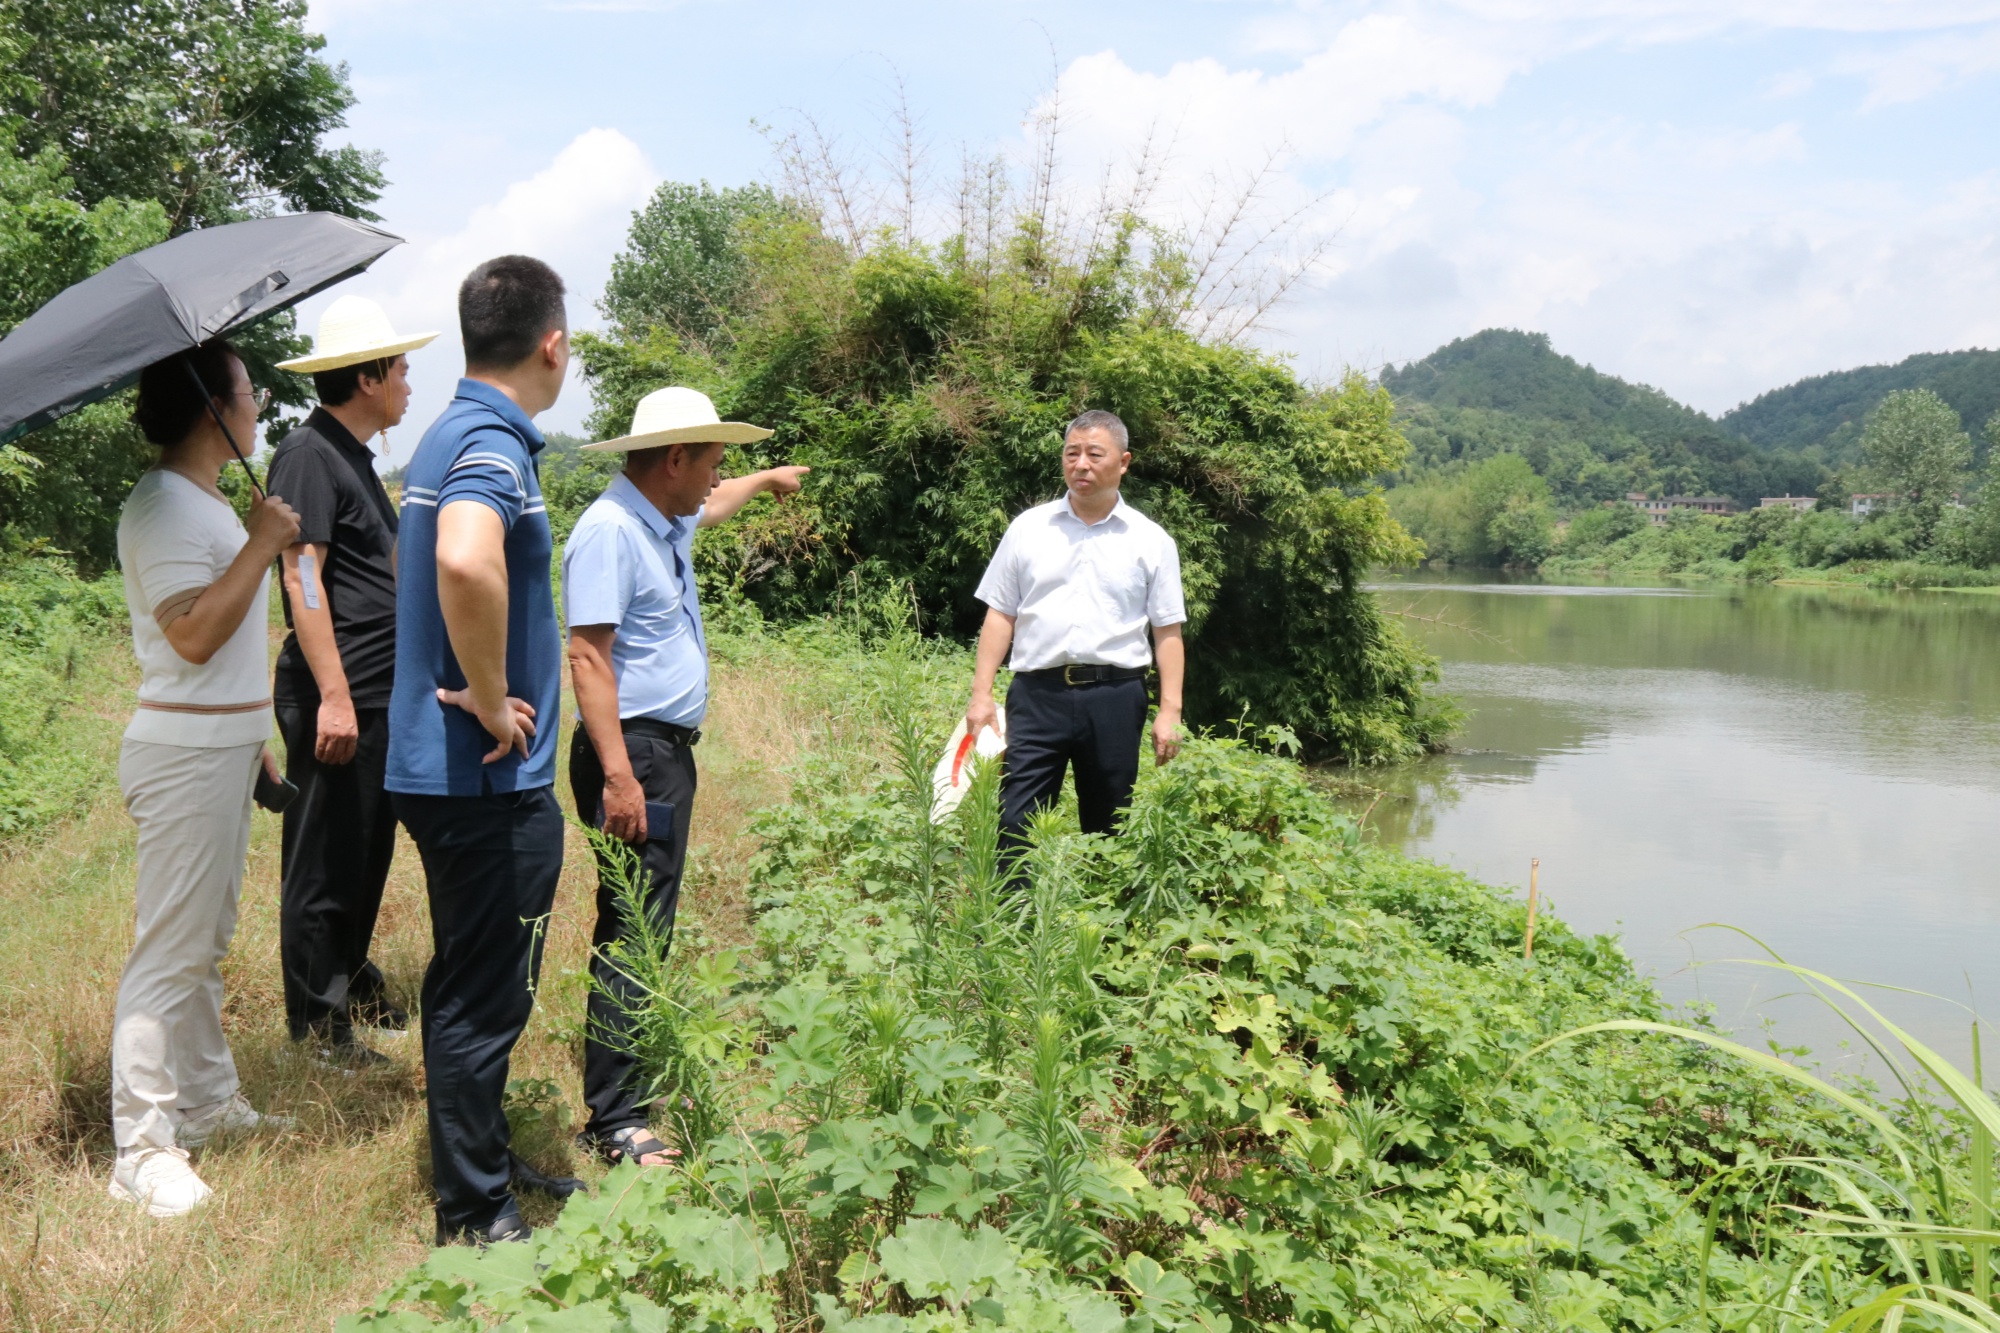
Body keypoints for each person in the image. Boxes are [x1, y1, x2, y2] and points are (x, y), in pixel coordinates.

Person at [562, 387, 808, 1168]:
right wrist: (620, 778)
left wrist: (765, 479)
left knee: (648, 921)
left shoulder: (660, 515)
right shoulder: (608, 532)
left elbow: (719, 503)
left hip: (655, 752)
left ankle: (624, 1087)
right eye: (711, 459)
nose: (716, 476)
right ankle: (616, 1117)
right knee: (632, 928)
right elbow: (588, 657)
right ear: (674, 459)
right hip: (631, 754)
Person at [385, 256, 569, 1246]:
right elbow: (465, 557)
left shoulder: (451, 430)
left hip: (454, 771)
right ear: (552, 342)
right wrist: (494, 702)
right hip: (480, 774)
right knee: (481, 991)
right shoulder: (490, 440)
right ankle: (474, 1209)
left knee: (474, 977)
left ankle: (483, 1165)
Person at [109, 339, 302, 1218]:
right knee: (170, 952)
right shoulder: (161, 506)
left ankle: (208, 1100)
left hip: (220, 747)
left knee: (205, 942)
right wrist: (262, 544)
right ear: (210, 405)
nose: (257, 401)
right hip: (182, 755)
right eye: (246, 389)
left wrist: (254, 735)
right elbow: (191, 637)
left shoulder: (207, 502)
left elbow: (215, 660)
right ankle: (142, 1150)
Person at [268, 296, 437, 1065]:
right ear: (367, 377)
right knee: (326, 859)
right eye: (400, 369)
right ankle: (318, 1025)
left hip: (376, 696)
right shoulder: (308, 454)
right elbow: (303, 578)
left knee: (364, 850)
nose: (408, 381)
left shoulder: (354, 460)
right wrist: (333, 694)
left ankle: (349, 975)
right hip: (339, 695)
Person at [965, 409, 1186, 856]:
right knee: (1016, 822)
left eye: (1093, 454)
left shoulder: (1151, 539)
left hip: (1116, 697)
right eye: (1072, 453)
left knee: (1110, 823)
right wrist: (981, 693)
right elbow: (1000, 614)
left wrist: (1170, 711)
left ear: (1123, 462)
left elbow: (1167, 631)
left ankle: (1100, 922)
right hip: (1036, 695)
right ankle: (1019, 923)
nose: (1080, 464)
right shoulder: (1029, 528)